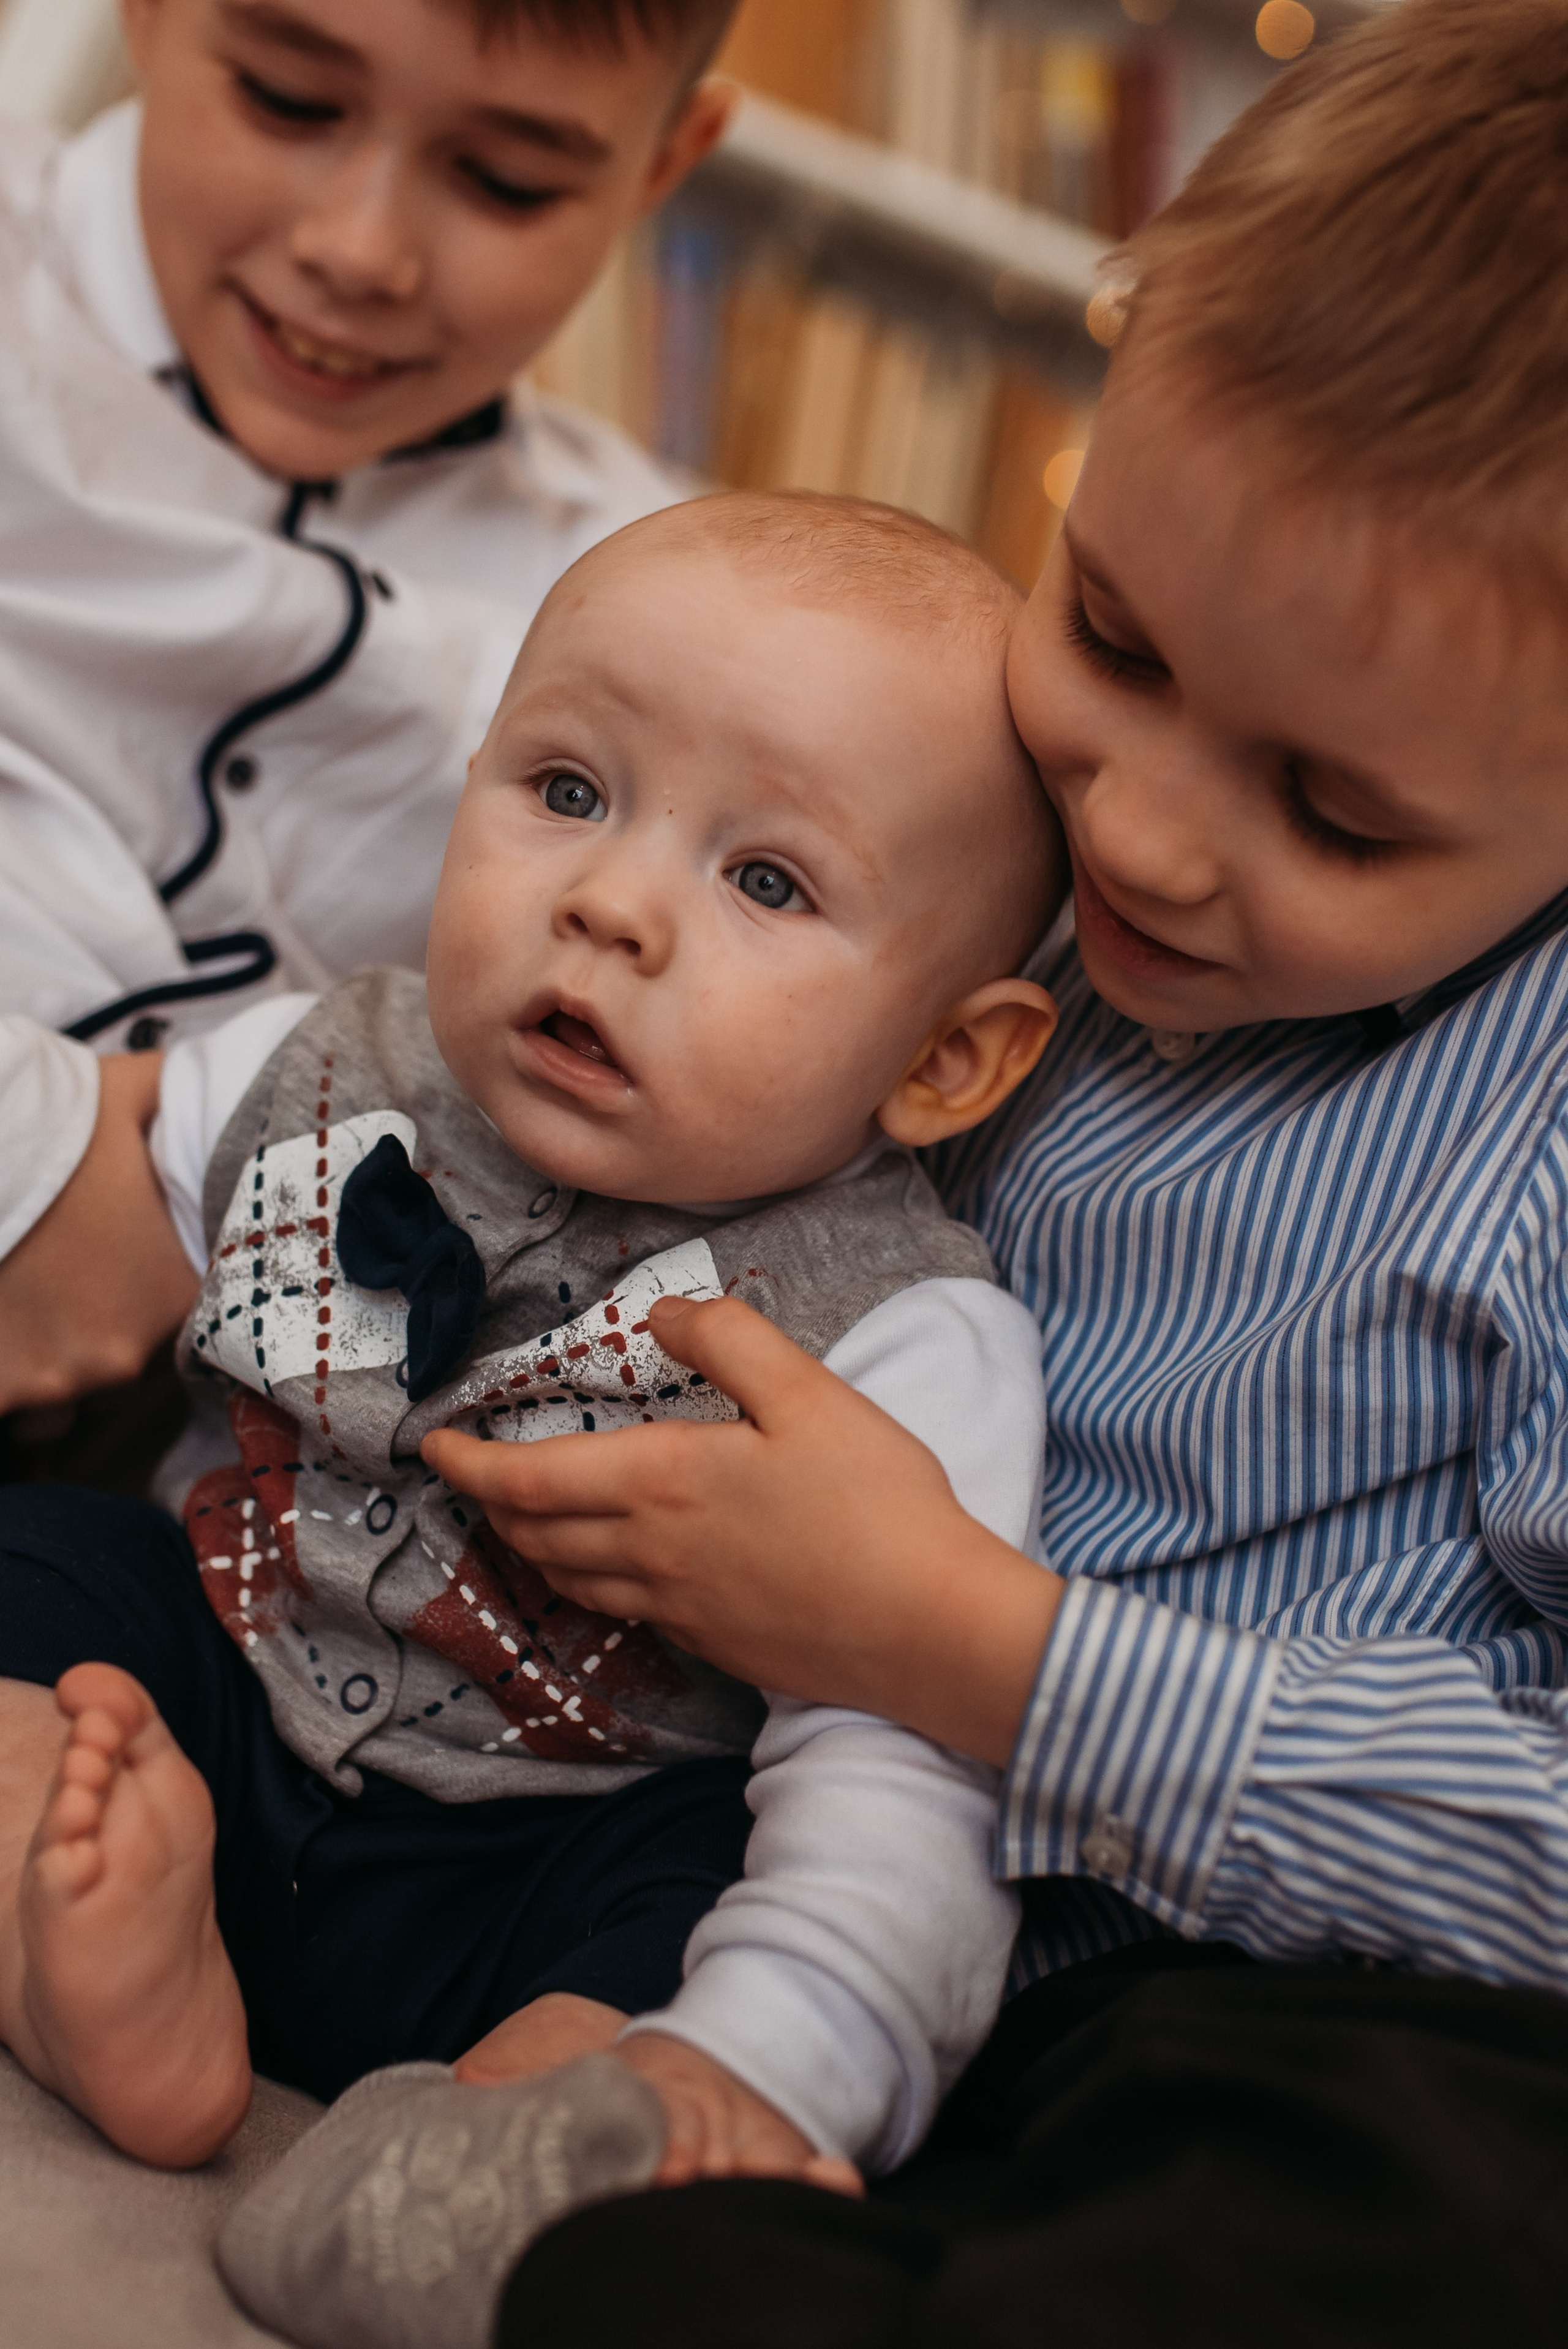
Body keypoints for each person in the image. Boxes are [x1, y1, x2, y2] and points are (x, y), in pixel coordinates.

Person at [349, 4, 1568, 2339]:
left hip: (1294, 1977)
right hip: (820, 1850)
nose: (1141, 826)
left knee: (1403, 2177)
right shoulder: (986, 841)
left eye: (1336, 811)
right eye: (1108, 632)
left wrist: (975, 1646)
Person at [0, 497, 1064, 2320]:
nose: (611, 899)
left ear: (945, 1057)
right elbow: (61, 1206)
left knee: (692, 1891)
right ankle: (76, 1936)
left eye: (768, 880)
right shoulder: (313, 1061)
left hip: (536, 1853)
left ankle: (491, 2148)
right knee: (50, 1567)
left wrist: (772, 2050)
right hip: (212, 1700)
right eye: (567, 790)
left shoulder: (910, 1339)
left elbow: (902, 1783)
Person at [0, 0, 735, 1412]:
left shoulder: (662, 592)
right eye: (285, 99)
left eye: (506, 183)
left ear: (663, 162)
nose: (360, 251)